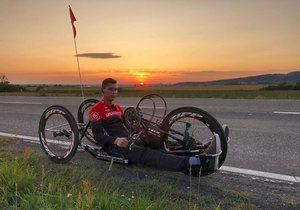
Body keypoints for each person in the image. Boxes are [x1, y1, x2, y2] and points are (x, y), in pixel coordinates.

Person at [89, 78, 221, 175]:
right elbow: (98, 136)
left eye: (116, 89)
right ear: (103, 90)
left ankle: (200, 149)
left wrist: (139, 126)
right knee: (151, 155)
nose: (114, 92)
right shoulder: (96, 110)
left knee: (159, 142)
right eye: (110, 89)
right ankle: (197, 162)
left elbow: (127, 126)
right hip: (117, 147)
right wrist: (116, 140)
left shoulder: (117, 107)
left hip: (131, 138)